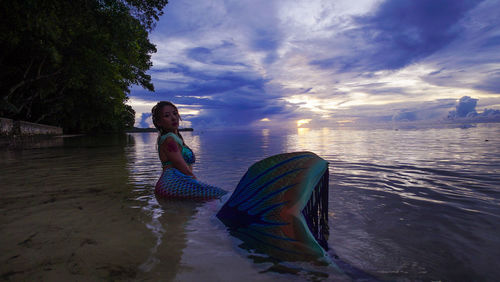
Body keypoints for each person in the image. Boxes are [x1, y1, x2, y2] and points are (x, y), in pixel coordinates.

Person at [151, 101, 227, 199]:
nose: (173, 118)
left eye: (175, 113)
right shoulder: (168, 139)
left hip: (176, 182)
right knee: (222, 196)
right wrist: (196, 183)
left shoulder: (175, 138)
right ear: (159, 122)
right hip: (172, 183)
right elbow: (180, 165)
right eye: (167, 115)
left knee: (192, 211)